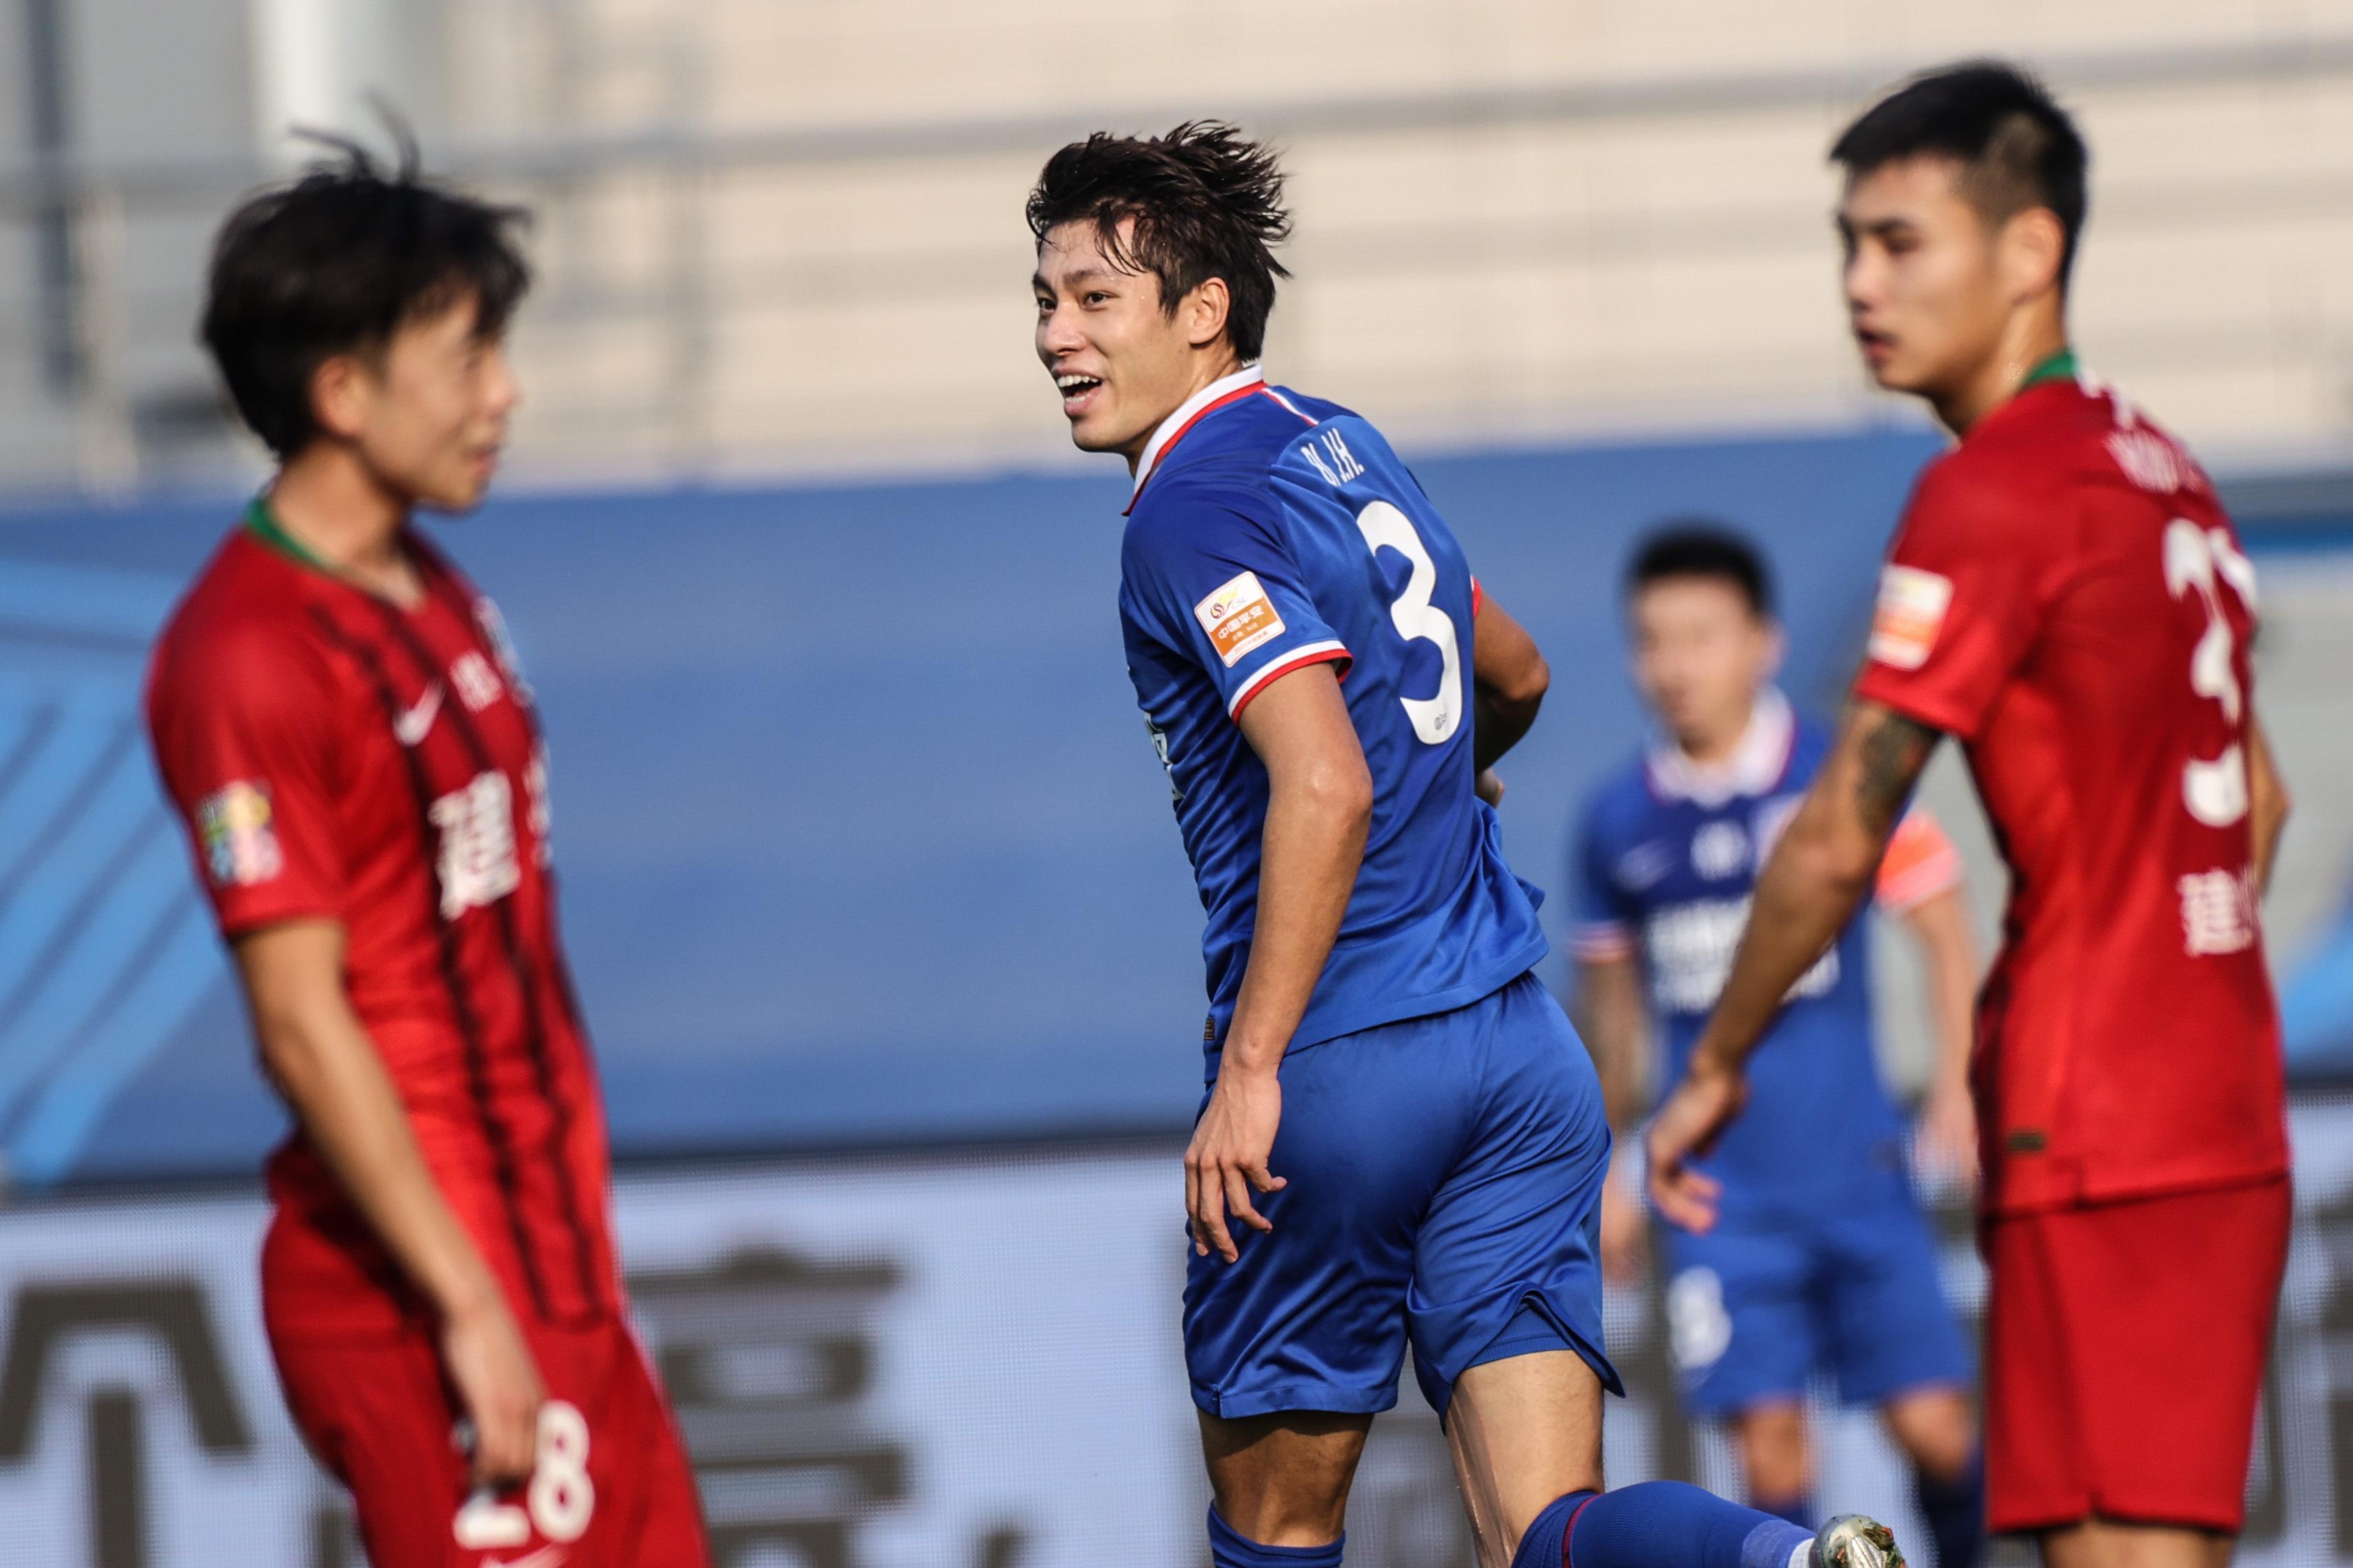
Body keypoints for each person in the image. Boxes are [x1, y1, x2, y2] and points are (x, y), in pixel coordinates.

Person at [1029, 120, 1902, 1568]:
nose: (1056, 335)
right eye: (1046, 300)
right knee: (1544, 1533)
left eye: (1092, 299)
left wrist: (1250, 1071)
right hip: (1514, 1054)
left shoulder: (1183, 509)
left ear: (1202, 310)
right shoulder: (1341, 442)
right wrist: (1441, 769)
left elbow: (1324, 784)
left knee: (1274, 1528)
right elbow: (1516, 672)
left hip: (1337, 1068)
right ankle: (1781, 1560)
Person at [1645, 63, 2290, 1568]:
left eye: (1898, 242)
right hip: (2215, 1094)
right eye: (1847, 246)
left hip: (2097, 1110)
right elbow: (2257, 798)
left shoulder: (1993, 490)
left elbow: (1836, 835)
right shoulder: (2162, 470)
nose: (1859, 285)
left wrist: (1713, 1064)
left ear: (2028, 249)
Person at [146, 143, 708, 1567]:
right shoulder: (247, 656)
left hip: (551, 1260)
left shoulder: (427, 584)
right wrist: (465, 1302)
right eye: (468, 359)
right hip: (427, 1294)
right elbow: (298, 1018)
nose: (503, 393)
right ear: (344, 392)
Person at [1571, 525, 1982, 1566]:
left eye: (1700, 636)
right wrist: (1607, 1170)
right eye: (1652, 640)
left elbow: (1941, 923)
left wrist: (1960, 1084)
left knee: (1936, 1428)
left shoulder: (1836, 776)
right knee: (1768, 1456)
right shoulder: (1617, 821)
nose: (1674, 666)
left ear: (1764, 642)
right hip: (1721, 1198)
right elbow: (1611, 1014)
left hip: (1857, 1168)